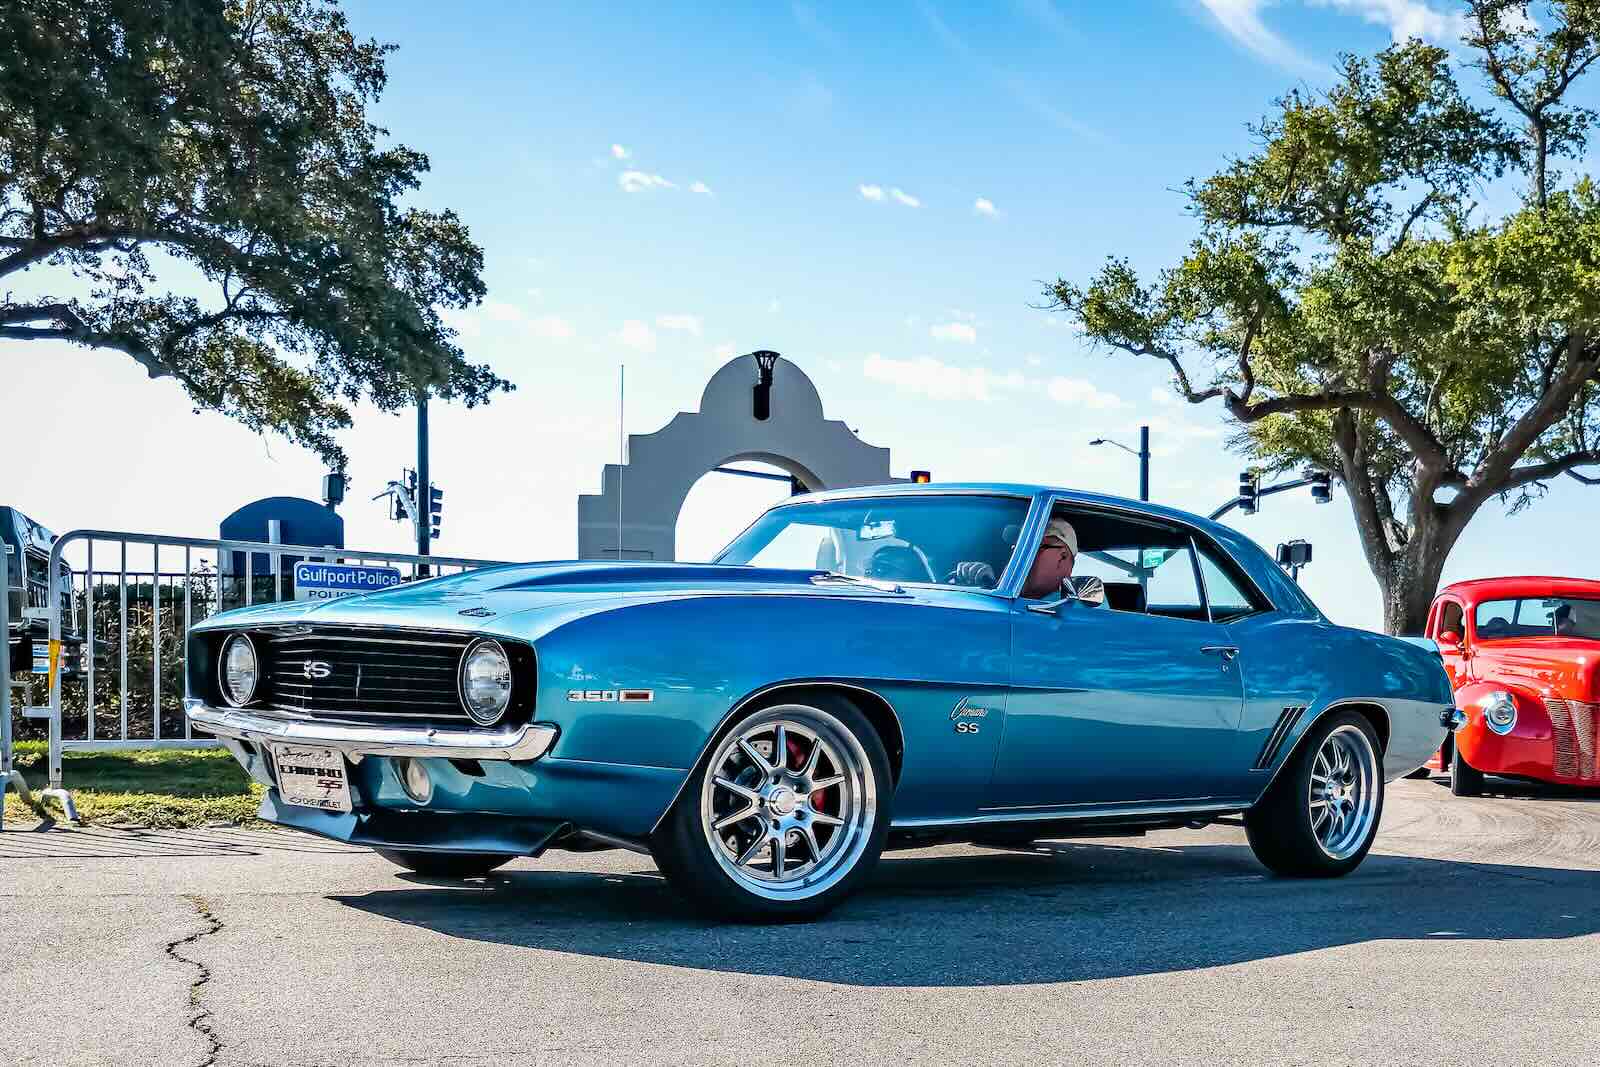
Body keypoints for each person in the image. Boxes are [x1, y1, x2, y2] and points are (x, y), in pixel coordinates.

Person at [946, 516, 1078, 597]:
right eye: (1017, 545)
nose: (1015, 549)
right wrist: (984, 587)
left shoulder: (1072, 611)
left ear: (1062, 558)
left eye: (1032, 546)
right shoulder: (1013, 599)